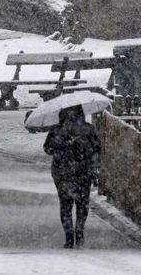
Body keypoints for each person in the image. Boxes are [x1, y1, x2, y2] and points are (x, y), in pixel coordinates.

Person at [44, 105, 100, 249]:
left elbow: (48, 149)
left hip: (62, 173)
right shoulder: (88, 129)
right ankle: (79, 230)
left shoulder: (57, 130)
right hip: (83, 172)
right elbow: (97, 148)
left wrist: (62, 146)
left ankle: (69, 236)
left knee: (66, 205)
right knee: (82, 204)